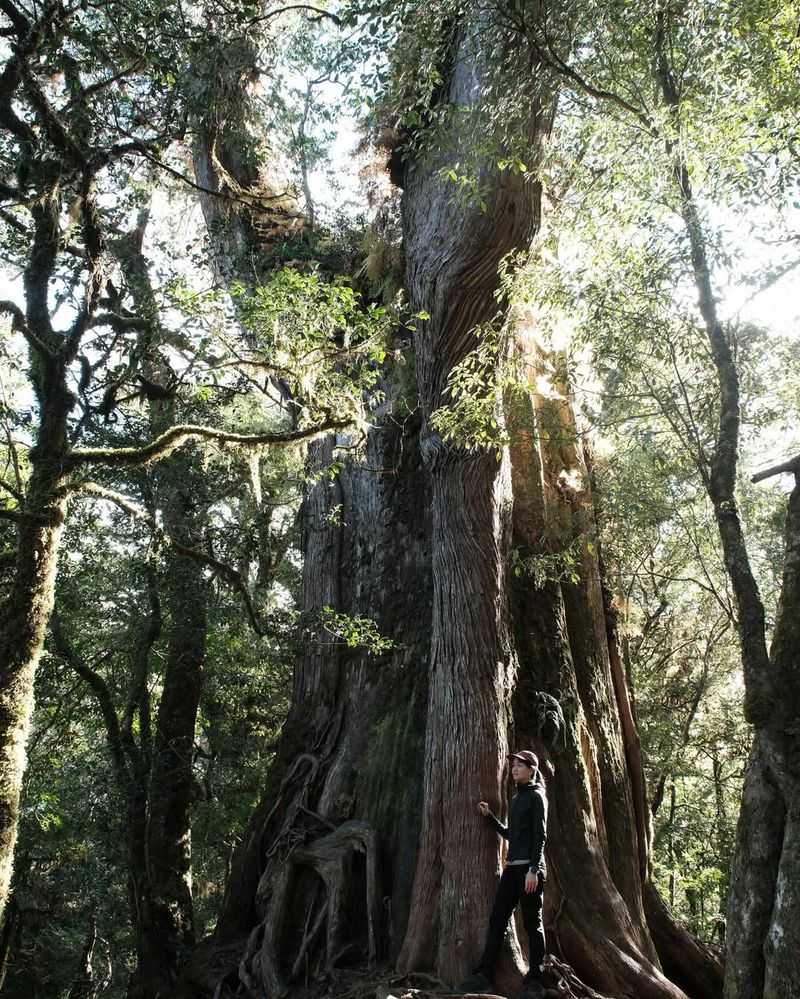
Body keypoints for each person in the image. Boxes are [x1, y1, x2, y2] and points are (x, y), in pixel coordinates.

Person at [462, 750, 548, 997]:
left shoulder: (537, 796)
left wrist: (533, 869)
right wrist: (489, 818)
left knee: (534, 925)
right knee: (497, 919)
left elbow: (540, 836)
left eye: (520, 765)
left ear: (532, 769)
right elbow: (512, 834)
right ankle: (483, 975)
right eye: (513, 766)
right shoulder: (517, 798)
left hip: (531, 871)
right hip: (512, 870)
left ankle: (535, 981)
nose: (514, 769)